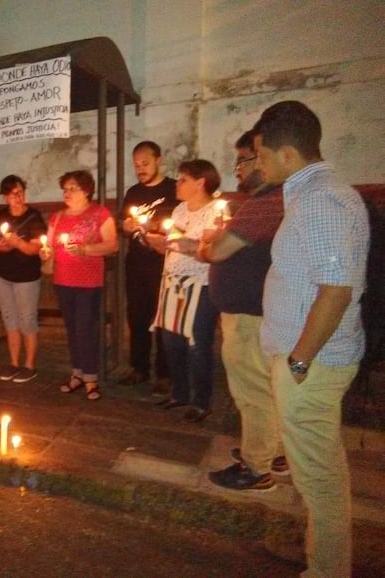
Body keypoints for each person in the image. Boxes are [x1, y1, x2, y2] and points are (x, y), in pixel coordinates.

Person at [253, 100, 369, 577]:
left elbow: (336, 290)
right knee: (318, 469)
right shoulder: (310, 196)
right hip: (307, 361)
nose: (255, 164)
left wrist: (298, 363)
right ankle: (318, 552)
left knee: (319, 478)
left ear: (286, 154)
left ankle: (326, 570)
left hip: (311, 364)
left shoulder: (321, 199)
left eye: (260, 155)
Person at [200, 130, 287, 491]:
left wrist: (205, 244)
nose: (237, 169)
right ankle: (274, 452)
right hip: (254, 312)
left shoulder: (266, 202)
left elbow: (218, 251)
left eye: (243, 160)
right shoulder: (267, 201)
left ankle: (256, 469)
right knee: (264, 388)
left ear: (263, 158)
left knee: (252, 392)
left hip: (249, 317)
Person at [146, 160, 220, 422]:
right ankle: (179, 393)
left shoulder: (216, 212)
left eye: (182, 180)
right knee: (171, 342)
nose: (177, 184)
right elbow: (170, 246)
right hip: (172, 282)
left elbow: (207, 249)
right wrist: (152, 238)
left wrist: (179, 243)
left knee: (198, 343)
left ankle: (201, 401)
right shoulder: (178, 210)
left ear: (200, 183)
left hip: (199, 285)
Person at [40, 170, 118, 401]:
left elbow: (112, 245)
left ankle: (91, 378)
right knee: (72, 329)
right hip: (63, 280)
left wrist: (85, 249)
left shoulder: (99, 213)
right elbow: (50, 247)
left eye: (72, 188)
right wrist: (46, 253)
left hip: (88, 282)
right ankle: (77, 374)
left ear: (86, 191)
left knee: (86, 329)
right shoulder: (57, 217)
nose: (67, 192)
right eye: (65, 188)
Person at [120, 141, 178, 395]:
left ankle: (165, 373)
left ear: (159, 160)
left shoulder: (174, 189)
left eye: (145, 164)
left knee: (163, 318)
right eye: (136, 165)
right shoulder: (133, 192)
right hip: (136, 263)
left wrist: (151, 226)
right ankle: (139, 367)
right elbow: (123, 223)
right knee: (137, 316)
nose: (140, 169)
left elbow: (179, 227)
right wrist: (128, 226)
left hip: (164, 264)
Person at [0, 175, 47, 383]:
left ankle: (29, 365)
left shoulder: (34, 217)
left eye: (20, 192)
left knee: (27, 320)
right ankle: (13, 363)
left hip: (26, 277)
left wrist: (18, 243)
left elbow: (35, 249)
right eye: (13, 194)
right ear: (5, 198)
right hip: (2, 275)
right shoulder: (0, 216)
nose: (18, 197)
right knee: (10, 319)